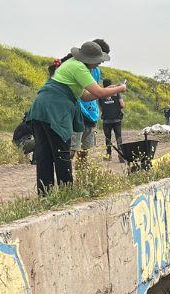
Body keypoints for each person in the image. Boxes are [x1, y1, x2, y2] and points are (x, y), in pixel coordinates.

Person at [26, 41, 127, 195]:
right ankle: (67, 193)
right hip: (55, 110)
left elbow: (86, 96)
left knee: (44, 155)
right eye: (99, 59)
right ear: (90, 59)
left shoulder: (71, 64)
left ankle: (45, 195)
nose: (100, 62)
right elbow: (99, 93)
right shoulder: (79, 67)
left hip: (41, 108)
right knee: (62, 153)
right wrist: (119, 88)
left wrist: (108, 90)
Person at [99, 77, 126, 161]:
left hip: (106, 119)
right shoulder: (116, 93)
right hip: (117, 119)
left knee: (108, 138)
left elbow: (100, 108)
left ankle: (108, 155)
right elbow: (122, 105)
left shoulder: (101, 94)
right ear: (110, 84)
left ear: (103, 85)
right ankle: (121, 155)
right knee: (118, 137)